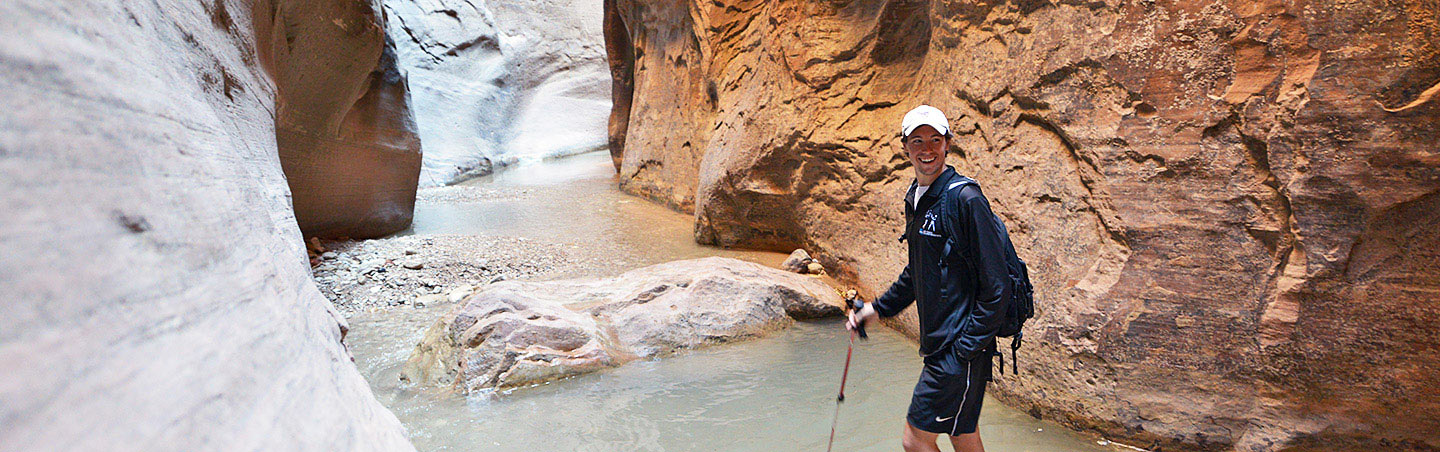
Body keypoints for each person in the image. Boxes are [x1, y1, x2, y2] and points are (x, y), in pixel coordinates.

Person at [848, 105, 1011, 452]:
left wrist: (965, 350)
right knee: (962, 434)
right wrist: (875, 310)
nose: (927, 149)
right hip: (944, 343)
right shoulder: (919, 196)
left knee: (914, 440)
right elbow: (917, 271)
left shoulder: (965, 198)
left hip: (959, 347)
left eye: (935, 140)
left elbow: (998, 287)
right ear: (904, 146)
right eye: (917, 140)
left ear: (948, 144)